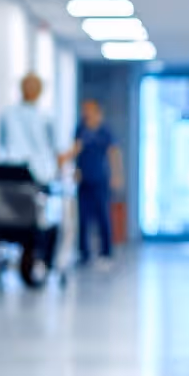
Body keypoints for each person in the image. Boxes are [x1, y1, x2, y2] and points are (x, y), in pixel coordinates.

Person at [0, 73, 61, 283]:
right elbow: (53, 151)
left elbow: (2, 145)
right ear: (39, 92)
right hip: (35, 180)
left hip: (8, 180)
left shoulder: (7, 114)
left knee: (11, 217)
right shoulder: (45, 118)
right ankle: (43, 264)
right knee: (44, 222)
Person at [62, 100, 121, 268]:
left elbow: (114, 153)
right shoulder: (80, 129)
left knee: (103, 217)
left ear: (97, 112)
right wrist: (74, 169)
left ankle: (106, 253)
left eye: (88, 110)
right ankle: (84, 254)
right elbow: (76, 150)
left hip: (100, 180)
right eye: (84, 110)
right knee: (83, 218)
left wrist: (116, 175)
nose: (85, 113)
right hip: (84, 180)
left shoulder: (105, 130)